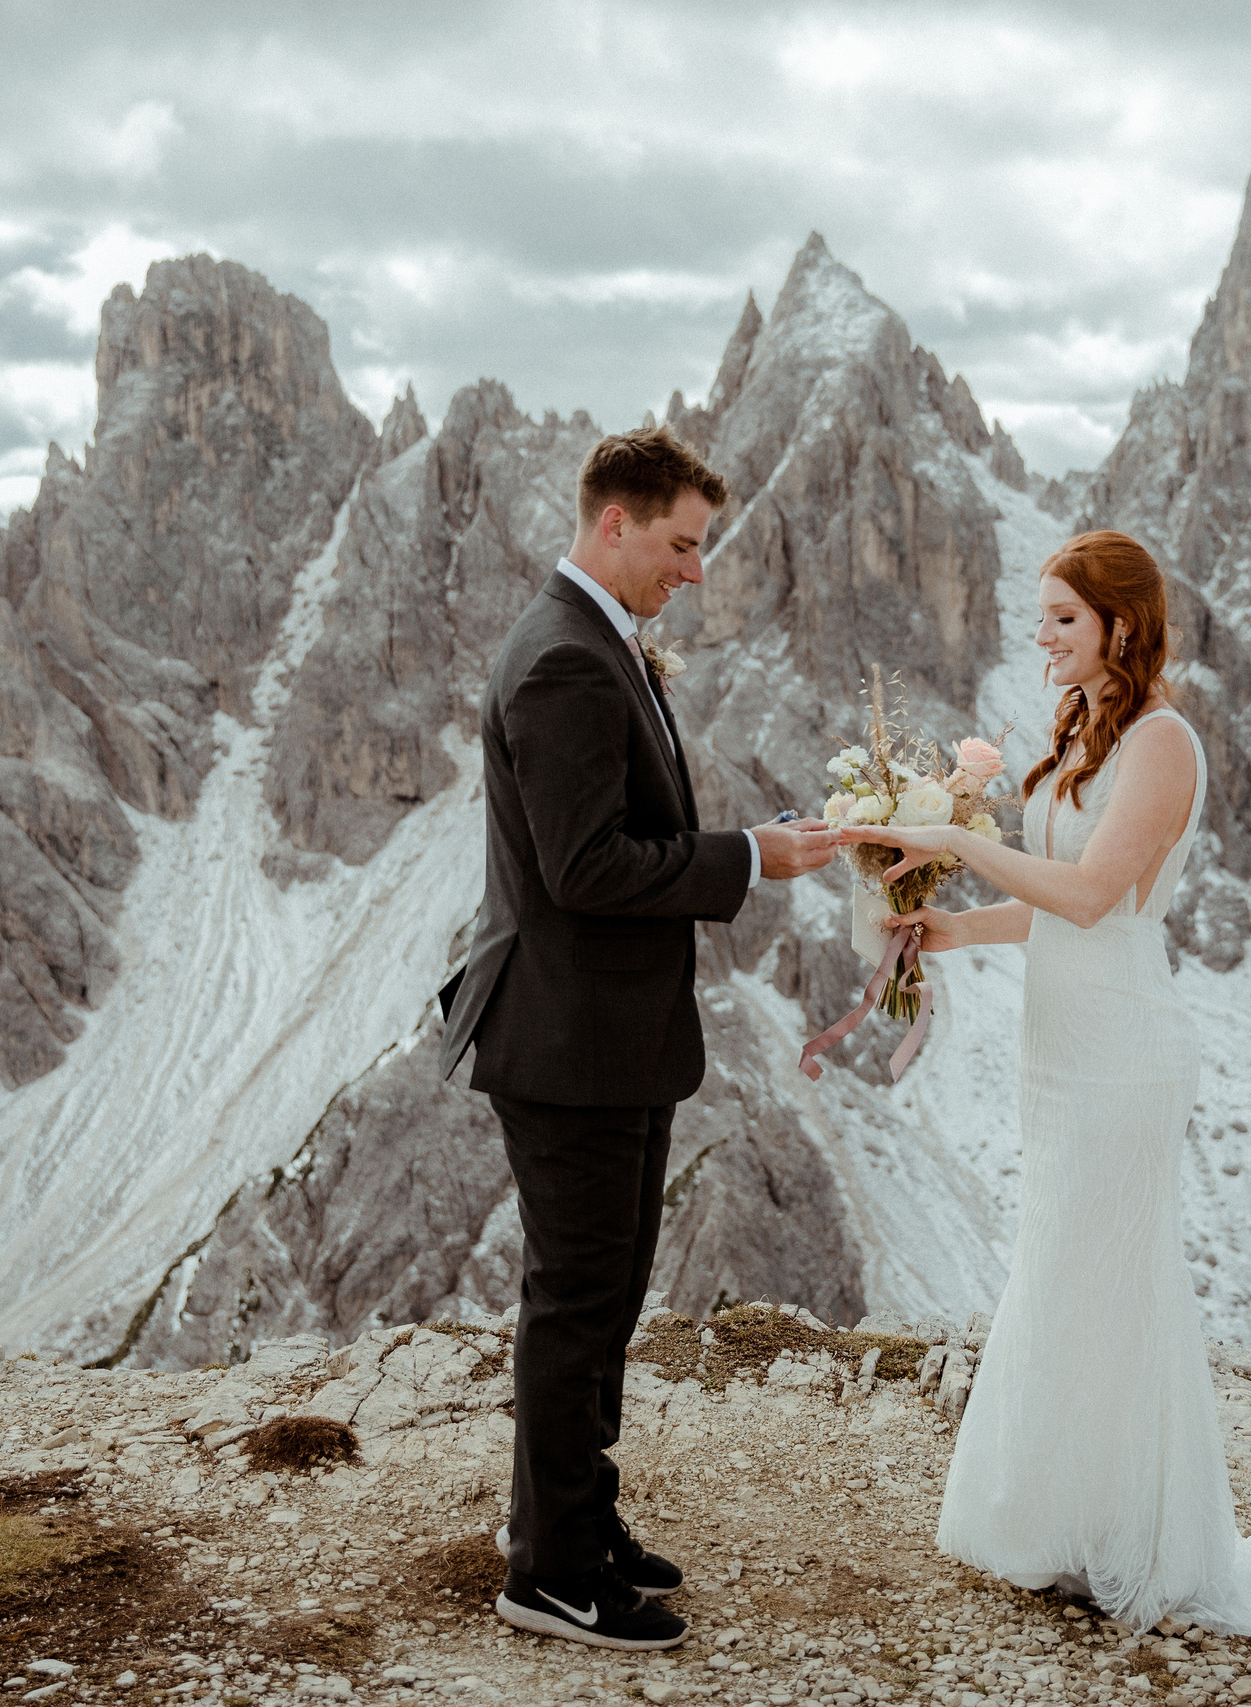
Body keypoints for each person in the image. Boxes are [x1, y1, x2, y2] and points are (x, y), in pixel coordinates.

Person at [837, 530, 1251, 1676]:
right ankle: (1067, 1521)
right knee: (1063, 1266)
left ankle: (1133, 1537)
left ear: (1121, 625)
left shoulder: (1162, 742)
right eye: (1038, 619)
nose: (1041, 639)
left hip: (1124, 1048)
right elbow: (1049, 909)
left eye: (1061, 620)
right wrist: (942, 928)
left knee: (1105, 1270)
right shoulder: (1083, 731)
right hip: (1060, 1043)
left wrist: (944, 840)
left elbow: (1091, 895)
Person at [435, 426, 840, 1652]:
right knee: (573, 1303)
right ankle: (550, 1573)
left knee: (604, 1298)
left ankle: (577, 1522)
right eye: (681, 543)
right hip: (567, 1046)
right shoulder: (563, 659)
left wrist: (740, 844)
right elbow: (585, 868)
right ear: (614, 524)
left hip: (608, 1038)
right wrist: (749, 859)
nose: (696, 569)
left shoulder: (597, 641)